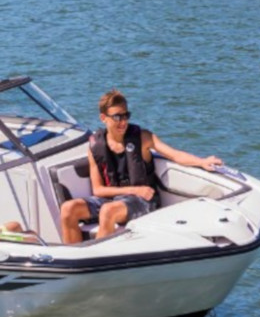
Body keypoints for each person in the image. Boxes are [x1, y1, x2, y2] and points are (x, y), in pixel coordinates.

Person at [58, 90, 224, 243]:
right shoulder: (95, 146)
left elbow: (174, 154)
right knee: (68, 209)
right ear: (104, 118)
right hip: (115, 198)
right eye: (117, 117)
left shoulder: (142, 138)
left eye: (126, 115)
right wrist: (133, 190)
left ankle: (94, 261)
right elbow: (98, 190)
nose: (123, 122)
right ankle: (75, 261)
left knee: (108, 211)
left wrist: (202, 161)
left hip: (143, 201)